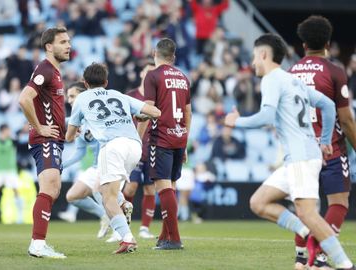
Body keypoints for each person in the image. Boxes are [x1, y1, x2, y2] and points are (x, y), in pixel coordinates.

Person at [224, 33, 355, 270]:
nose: (253, 62)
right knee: (259, 202)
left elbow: (266, 116)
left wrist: (236, 121)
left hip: (301, 159)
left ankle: (345, 264)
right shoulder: (293, 80)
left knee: (308, 213)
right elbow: (326, 104)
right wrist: (324, 139)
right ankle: (306, 233)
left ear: (264, 54)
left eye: (254, 56)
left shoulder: (273, 79)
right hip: (300, 157)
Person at [66, 62, 161, 254]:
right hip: (135, 146)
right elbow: (155, 112)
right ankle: (123, 203)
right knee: (104, 188)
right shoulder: (119, 95)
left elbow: (69, 136)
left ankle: (127, 238)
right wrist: (141, 118)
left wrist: (74, 133)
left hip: (112, 146)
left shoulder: (81, 99)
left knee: (105, 197)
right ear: (106, 81)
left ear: (85, 83)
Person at [289, 15, 356, 269]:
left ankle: (300, 256)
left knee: (307, 206)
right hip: (331, 148)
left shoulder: (291, 72)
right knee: (338, 203)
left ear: (303, 44)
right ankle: (318, 257)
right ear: (327, 43)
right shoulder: (335, 71)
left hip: (300, 151)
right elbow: (347, 120)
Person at [18, 27, 71, 259]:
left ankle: (39, 242)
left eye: (68, 41)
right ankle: (37, 245)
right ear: (49, 46)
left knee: (54, 189)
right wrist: (39, 127)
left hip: (55, 139)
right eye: (62, 42)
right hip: (45, 139)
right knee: (49, 186)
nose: (68, 45)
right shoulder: (45, 69)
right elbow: (24, 98)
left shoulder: (56, 72)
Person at [138, 38, 192, 250]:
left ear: (154, 53)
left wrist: (136, 138)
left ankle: (174, 239)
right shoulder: (183, 77)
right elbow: (188, 112)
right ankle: (164, 236)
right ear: (174, 56)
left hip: (160, 138)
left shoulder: (153, 75)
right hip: (179, 137)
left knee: (162, 187)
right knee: (170, 187)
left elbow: (149, 108)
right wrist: (185, 141)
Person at [57, 82, 111, 239]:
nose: (69, 100)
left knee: (104, 196)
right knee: (72, 196)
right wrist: (60, 166)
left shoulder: (98, 114)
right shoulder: (78, 122)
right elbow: (79, 153)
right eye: (68, 97)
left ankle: (121, 232)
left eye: (73, 96)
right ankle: (105, 216)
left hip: (110, 163)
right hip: (96, 167)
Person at [123, 64, 157, 239]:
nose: (150, 74)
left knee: (150, 189)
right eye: (147, 71)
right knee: (130, 188)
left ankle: (144, 228)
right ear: (142, 73)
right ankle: (122, 224)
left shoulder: (159, 97)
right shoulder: (130, 96)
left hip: (153, 148)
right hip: (134, 148)